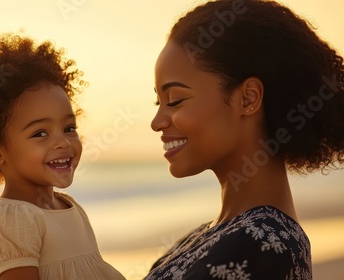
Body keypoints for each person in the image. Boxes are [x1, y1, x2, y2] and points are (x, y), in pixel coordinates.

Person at [146, 0, 344, 279]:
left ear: (248, 98)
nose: (157, 122)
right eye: (158, 101)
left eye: (175, 100)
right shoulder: (206, 237)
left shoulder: (263, 245)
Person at [0, 33, 126, 280]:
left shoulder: (70, 207)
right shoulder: (12, 220)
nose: (62, 142)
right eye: (40, 133)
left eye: (69, 128)